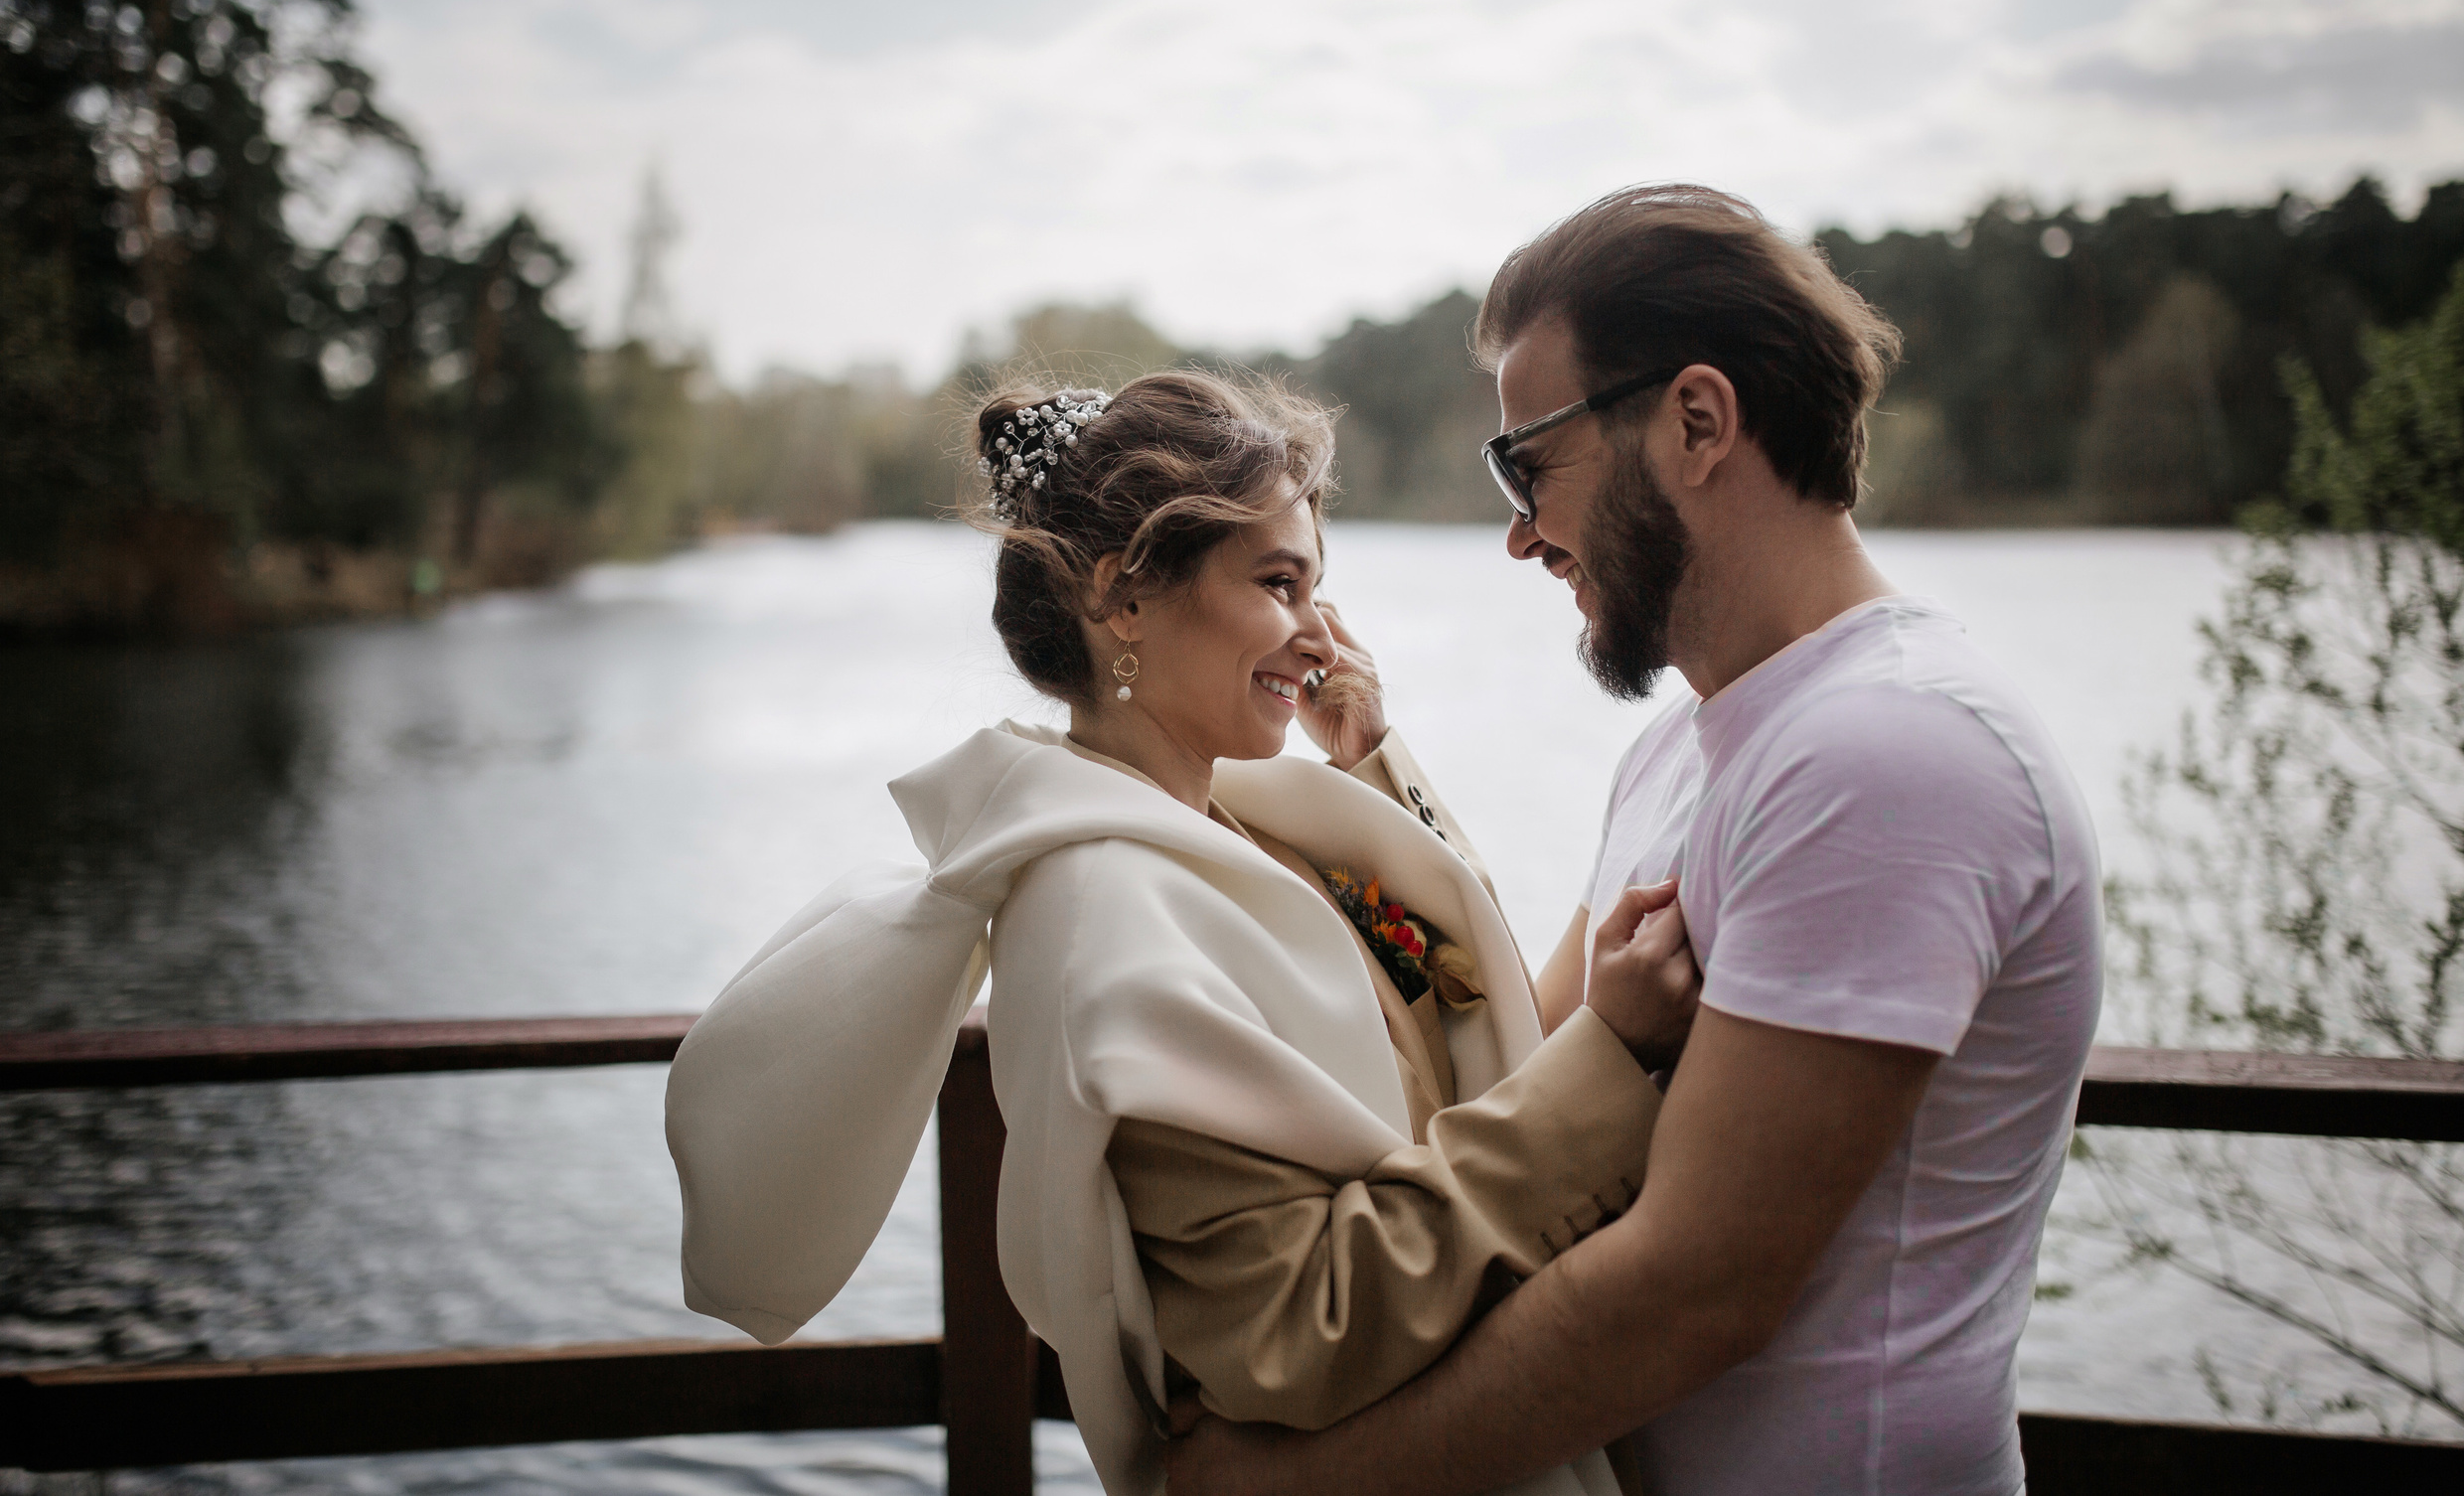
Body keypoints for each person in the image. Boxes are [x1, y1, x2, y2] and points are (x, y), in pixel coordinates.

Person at [1167, 186, 2104, 1496]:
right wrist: (1369, 769)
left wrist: (1293, 1486)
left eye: (1529, 465)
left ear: (1697, 421)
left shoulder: (1889, 752)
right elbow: (1511, 1077)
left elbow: (1691, 1290)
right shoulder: (1687, 751)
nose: (1518, 534)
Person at [666, 371, 1703, 1496]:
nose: (1323, 637)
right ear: (1122, 598)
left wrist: (1371, 757)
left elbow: (1460, 1003)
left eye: (1318, 589)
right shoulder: (1107, 921)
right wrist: (1609, 1062)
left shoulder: (1232, 822)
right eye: (1278, 583)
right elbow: (1303, 1323)